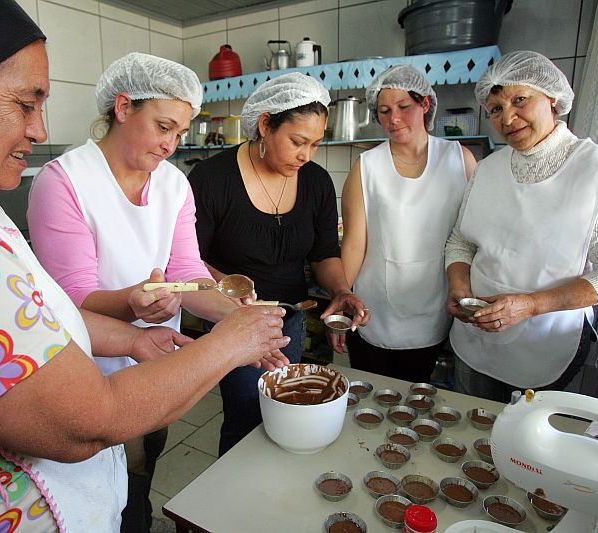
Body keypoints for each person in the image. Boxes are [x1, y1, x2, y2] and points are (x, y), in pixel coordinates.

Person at [0, 1, 289, 531]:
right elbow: (86, 421)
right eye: (25, 104)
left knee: (139, 483)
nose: (39, 130)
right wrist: (227, 344)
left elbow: (43, 310)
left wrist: (148, 337)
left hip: (125, 394)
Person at [26, 52, 242, 533]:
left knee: (142, 473)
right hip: (85, 370)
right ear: (123, 107)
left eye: (180, 133)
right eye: (163, 127)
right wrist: (130, 301)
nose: (170, 144)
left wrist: (237, 317)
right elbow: (72, 297)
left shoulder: (174, 185)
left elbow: (186, 272)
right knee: (96, 483)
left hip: (157, 359)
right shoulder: (65, 182)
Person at [444, 51, 598, 403]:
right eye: (496, 109)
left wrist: (531, 305)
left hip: (546, 343)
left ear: (551, 98)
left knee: (524, 435)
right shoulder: (488, 169)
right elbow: (461, 241)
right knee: (469, 426)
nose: (508, 118)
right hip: (476, 338)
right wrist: (460, 288)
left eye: (520, 100)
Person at [189, 72, 370, 455]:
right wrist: (231, 291)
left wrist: (341, 290)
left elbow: (324, 253)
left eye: (316, 144)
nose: (307, 155)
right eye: (297, 142)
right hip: (231, 318)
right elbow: (190, 259)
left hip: (291, 317)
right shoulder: (212, 178)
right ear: (265, 125)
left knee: (286, 410)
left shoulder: (316, 182)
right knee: (246, 415)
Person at [341, 65, 476, 383]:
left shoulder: (460, 160)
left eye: (403, 107)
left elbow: (472, 236)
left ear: (425, 104)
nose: (394, 119)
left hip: (434, 307)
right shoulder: (367, 166)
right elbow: (355, 242)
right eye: (384, 111)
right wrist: (342, 299)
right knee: (371, 393)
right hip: (374, 309)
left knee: (418, 397)